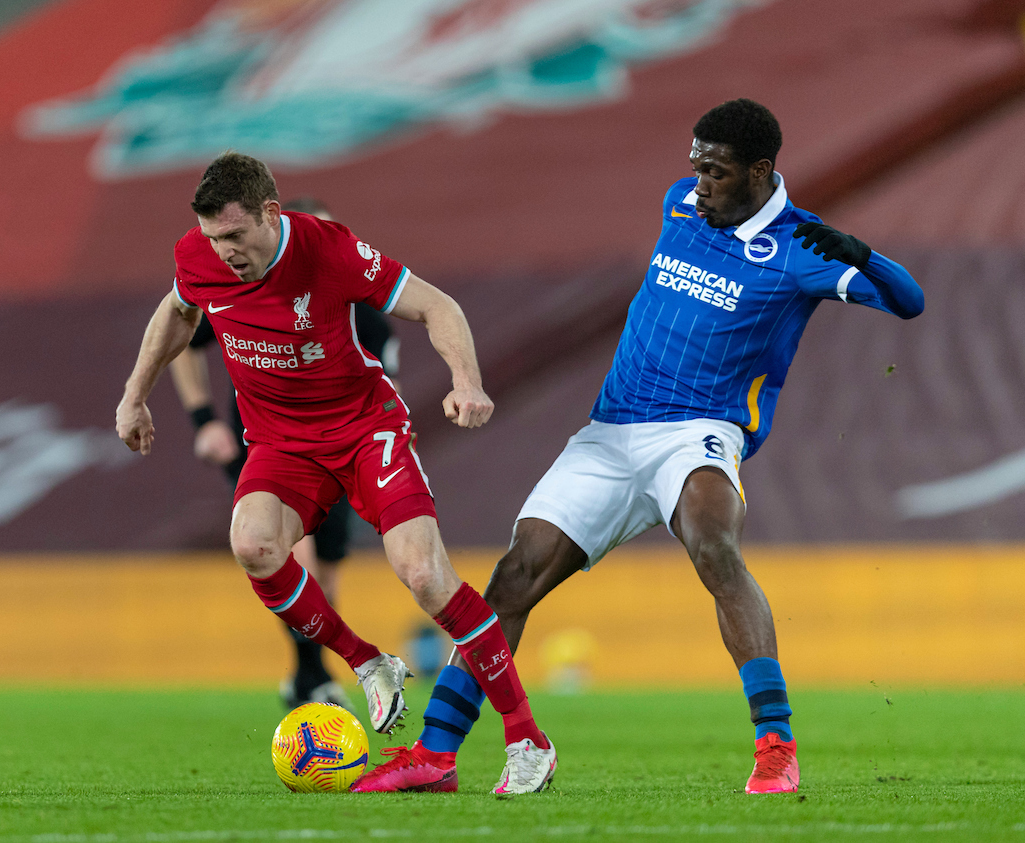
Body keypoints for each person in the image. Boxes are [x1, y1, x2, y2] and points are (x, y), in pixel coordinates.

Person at [354, 98, 924, 795]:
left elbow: (910, 301)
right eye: (696, 167)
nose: (700, 183)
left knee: (715, 546)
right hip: (611, 429)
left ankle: (775, 745)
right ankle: (436, 756)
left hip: (699, 430)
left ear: (759, 170)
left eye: (716, 172)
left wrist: (863, 253)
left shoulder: (803, 247)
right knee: (514, 576)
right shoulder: (680, 202)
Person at [116, 152, 556, 794]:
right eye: (215, 239)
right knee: (252, 544)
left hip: (362, 429)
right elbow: (176, 314)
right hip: (280, 443)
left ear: (271, 214)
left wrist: (467, 382)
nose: (226, 253)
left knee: (423, 574)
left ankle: (527, 740)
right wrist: (135, 396)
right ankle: (366, 661)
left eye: (236, 236)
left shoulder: (330, 250)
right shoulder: (198, 256)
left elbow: (439, 306)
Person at [168, 197, 400, 711]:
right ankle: (320, 676)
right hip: (268, 446)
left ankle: (307, 673)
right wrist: (204, 419)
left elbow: (390, 382)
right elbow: (180, 334)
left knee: (329, 566)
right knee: (292, 552)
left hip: (345, 446)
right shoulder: (251, 292)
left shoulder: (368, 311)